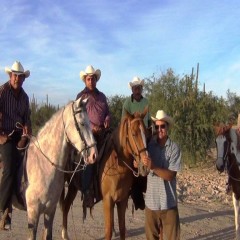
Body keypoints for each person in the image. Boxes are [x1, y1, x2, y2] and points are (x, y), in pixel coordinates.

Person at [137, 110, 181, 240]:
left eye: (162, 126)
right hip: (151, 204)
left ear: (167, 127)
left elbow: (170, 176)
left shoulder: (174, 148)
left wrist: (153, 167)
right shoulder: (148, 146)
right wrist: (138, 164)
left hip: (169, 204)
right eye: (157, 126)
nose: (160, 129)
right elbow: (143, 171)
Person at [0, 61, 32, 229]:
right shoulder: (2, 92)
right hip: (5, 136)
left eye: (20, 76)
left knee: (35, 160)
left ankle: (25, 197)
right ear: (10, 76)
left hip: (21, 135)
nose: (17, 79)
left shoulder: (25, 97)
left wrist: (28, 130)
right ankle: (4, 209)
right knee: (9, 167)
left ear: (23, 79)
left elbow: (27, 117)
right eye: (15, 76)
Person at [76, 65, 110, 207]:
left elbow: (108, 111)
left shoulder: (102, 96)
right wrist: (92, 126)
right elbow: (78, 117)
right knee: (91, 159)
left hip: (104, 132)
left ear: (96, 80)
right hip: (88, 134)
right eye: (89, 79)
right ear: (85, 80)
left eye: (93, 79)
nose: (91, 81)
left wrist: (108, 118)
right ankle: (87, 191)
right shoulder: (80, 97)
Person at [122, 76, 151, 211]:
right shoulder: (127, 103)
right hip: (133, 135)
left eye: (138, 87)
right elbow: (124, 121)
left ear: (141, 88)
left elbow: (149, 121)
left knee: (152, 153)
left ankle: (150, 183)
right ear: (132, 89)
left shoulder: (146, 102)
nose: (137, 90)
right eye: (135, 88)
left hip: (144, 133)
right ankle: (127, 188)